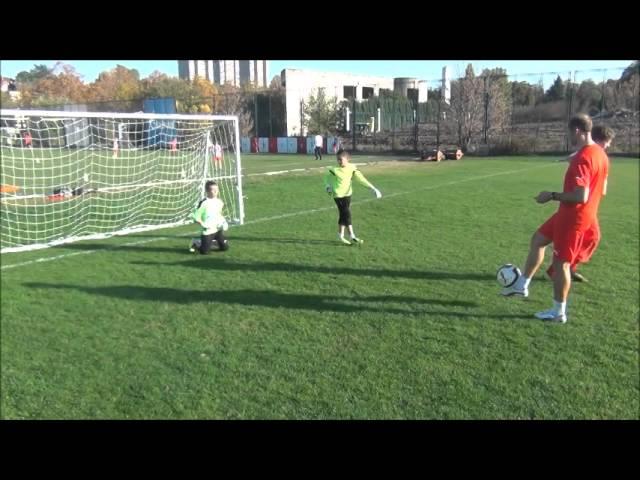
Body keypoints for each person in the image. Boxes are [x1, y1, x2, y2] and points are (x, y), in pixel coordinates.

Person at [502, 114, 609, 324]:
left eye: (569, 132)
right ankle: (522, 285)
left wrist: (551, 195)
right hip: (571, 214)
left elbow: (581, 196)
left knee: (561, 264)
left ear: (577, 130)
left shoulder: (584, 158)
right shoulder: (599, 152)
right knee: (538, 239)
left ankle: (558, 312)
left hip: (574, 217)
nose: (568, 135)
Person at [547, 125, 615, 283]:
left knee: (593, 238)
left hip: (589, 208)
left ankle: (567, 267)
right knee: (581, 239)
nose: (609, 145)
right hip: (580, 209)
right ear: (598, 140)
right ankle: (561, 269)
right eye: (607, 142)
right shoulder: (588, 156)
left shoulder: (598, 156)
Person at [324, 149, 382, 245]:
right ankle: (352, 236)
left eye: (340, 160)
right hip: (338, 195)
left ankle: (340, 234)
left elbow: (361, 179)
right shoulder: (333, 169)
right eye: (337, 159)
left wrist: (373, 188)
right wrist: (327, 186)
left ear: (347, 159)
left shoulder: (352, 168)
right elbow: (326, 178)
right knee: (347, 213)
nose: (338, 161)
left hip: (348, 194)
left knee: (343, 214)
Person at [189, 181, 229, 254]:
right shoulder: (204, 203)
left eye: (216, 189)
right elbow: (195, 217)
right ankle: (196, 243)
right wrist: (202, 224)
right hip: (208, 230)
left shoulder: (219, 202)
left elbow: (219, 213)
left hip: (218, 229)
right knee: (204, 252)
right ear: (207, 191)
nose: (216, 191)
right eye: (213, 190)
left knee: (225, 248)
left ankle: (213, 242)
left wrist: (224, 222)